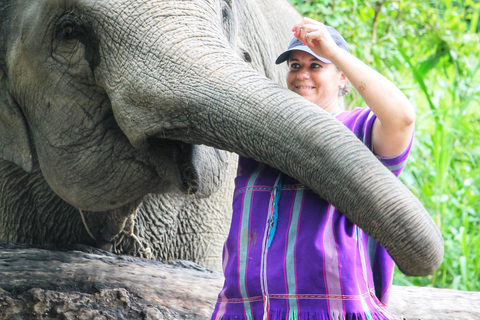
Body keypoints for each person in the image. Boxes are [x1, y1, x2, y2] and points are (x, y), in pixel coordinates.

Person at [211, 17, 415, 320]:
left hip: (330, 310)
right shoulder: (260, 134)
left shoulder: (359, 131)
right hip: (245, 308)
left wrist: (334, 52)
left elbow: (402, 118)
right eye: (295, 66)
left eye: (315, 66)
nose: (302, 75)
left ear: (342, 77)